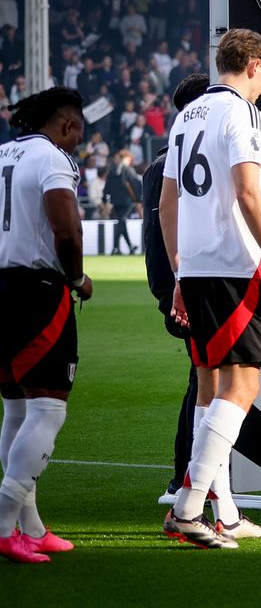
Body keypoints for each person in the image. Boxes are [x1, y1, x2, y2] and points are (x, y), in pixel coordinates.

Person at [161, 29, 261, 549]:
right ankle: (188, 508)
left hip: (197, 267)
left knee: (211, 386)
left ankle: (222, 510)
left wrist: (179, 272)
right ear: (255, 64)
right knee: (242, 387)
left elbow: (167, 205)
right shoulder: (242, 115)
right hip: (231, 267)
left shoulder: (187, 115)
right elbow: (247, 191)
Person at [0, 88, 92, 564]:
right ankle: (2, 526)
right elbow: (66, 229)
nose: (78, 141)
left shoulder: (2, 154)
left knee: (16, 407)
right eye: (77, 131)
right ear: (66, 126)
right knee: (48, 410)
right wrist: (76, 278)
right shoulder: (53, 159)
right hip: (37, 293)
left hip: (2, 288)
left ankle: (28, 526)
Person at [141, 74, 211, 496]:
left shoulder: (161, 162)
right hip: (189, 284)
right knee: (204, 381)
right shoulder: (181, 162)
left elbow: (154, 233)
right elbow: (167, 226)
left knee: (202, 379)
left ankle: (192, 477)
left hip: (174, 284)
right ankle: (186, 479)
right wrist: (175, 288)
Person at [104, 150, 141, 255]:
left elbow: (107, 185)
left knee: (121, 221)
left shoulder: (113, 170)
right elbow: (135, 185)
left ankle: (129, 247)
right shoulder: (129, 170)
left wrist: (104, 198)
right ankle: (116, 247)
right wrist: (139, 200)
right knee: (121, 221)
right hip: (127, 201)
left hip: (115, 200)